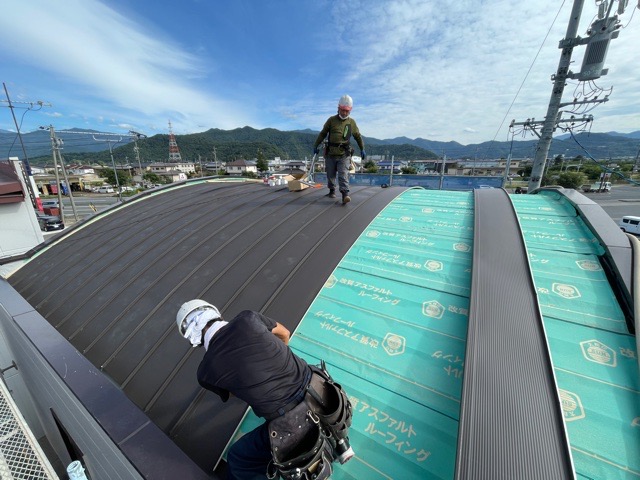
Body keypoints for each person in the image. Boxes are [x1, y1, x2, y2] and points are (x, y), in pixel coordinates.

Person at [176, 300, 353, 480]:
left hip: (292, 424)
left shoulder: (205, 372)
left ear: (194, 342)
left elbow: (233, 392)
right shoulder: (248, 318)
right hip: (325, 392)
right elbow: (285, 333)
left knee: (238, 458)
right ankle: (339, 440)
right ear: (216, 314)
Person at [313, 95, 366, 204]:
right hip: (331, 153)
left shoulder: (351, 122)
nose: (344, 113)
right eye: (342, 110)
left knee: (343, 174)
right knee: (330, 174)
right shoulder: (331, 120)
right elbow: (323, 133)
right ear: (338, 108)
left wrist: (362, 148)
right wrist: (316, 145)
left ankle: (345, 194)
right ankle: (332, 190)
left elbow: (357, 136)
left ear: (350, 110)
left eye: (347, 111)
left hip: (344, 154)